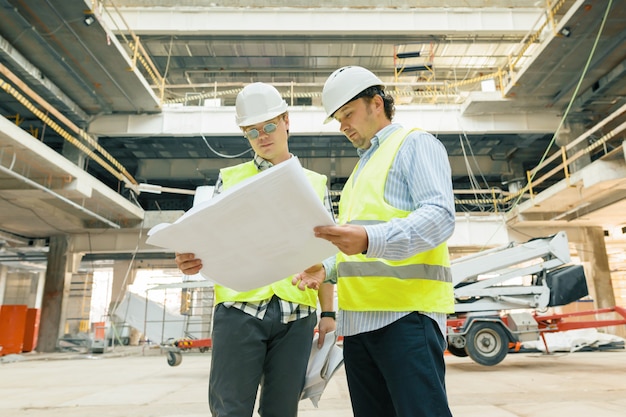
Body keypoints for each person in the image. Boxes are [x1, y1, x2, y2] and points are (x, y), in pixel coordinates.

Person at [292, 66, 456, 417]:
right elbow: (359, 246)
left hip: (406, 318)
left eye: (348, 114)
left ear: (376, 103)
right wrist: (327, 268)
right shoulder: (359, 173)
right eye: (338, 118)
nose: (343, 126)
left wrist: (369, 238)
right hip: (358, 326)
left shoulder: (415, 143)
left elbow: (440, 216)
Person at [175, 82, 336, 417]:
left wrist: (329, 314)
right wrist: (188, 256)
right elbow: (206, 236)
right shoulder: (230, 179)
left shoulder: (315, 183)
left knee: (282, 411)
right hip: (239, 311)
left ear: (286, 121)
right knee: (230, 409)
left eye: (268, 126)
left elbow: (327, 253)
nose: (262, 136)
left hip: (297, 315)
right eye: (251, 132)